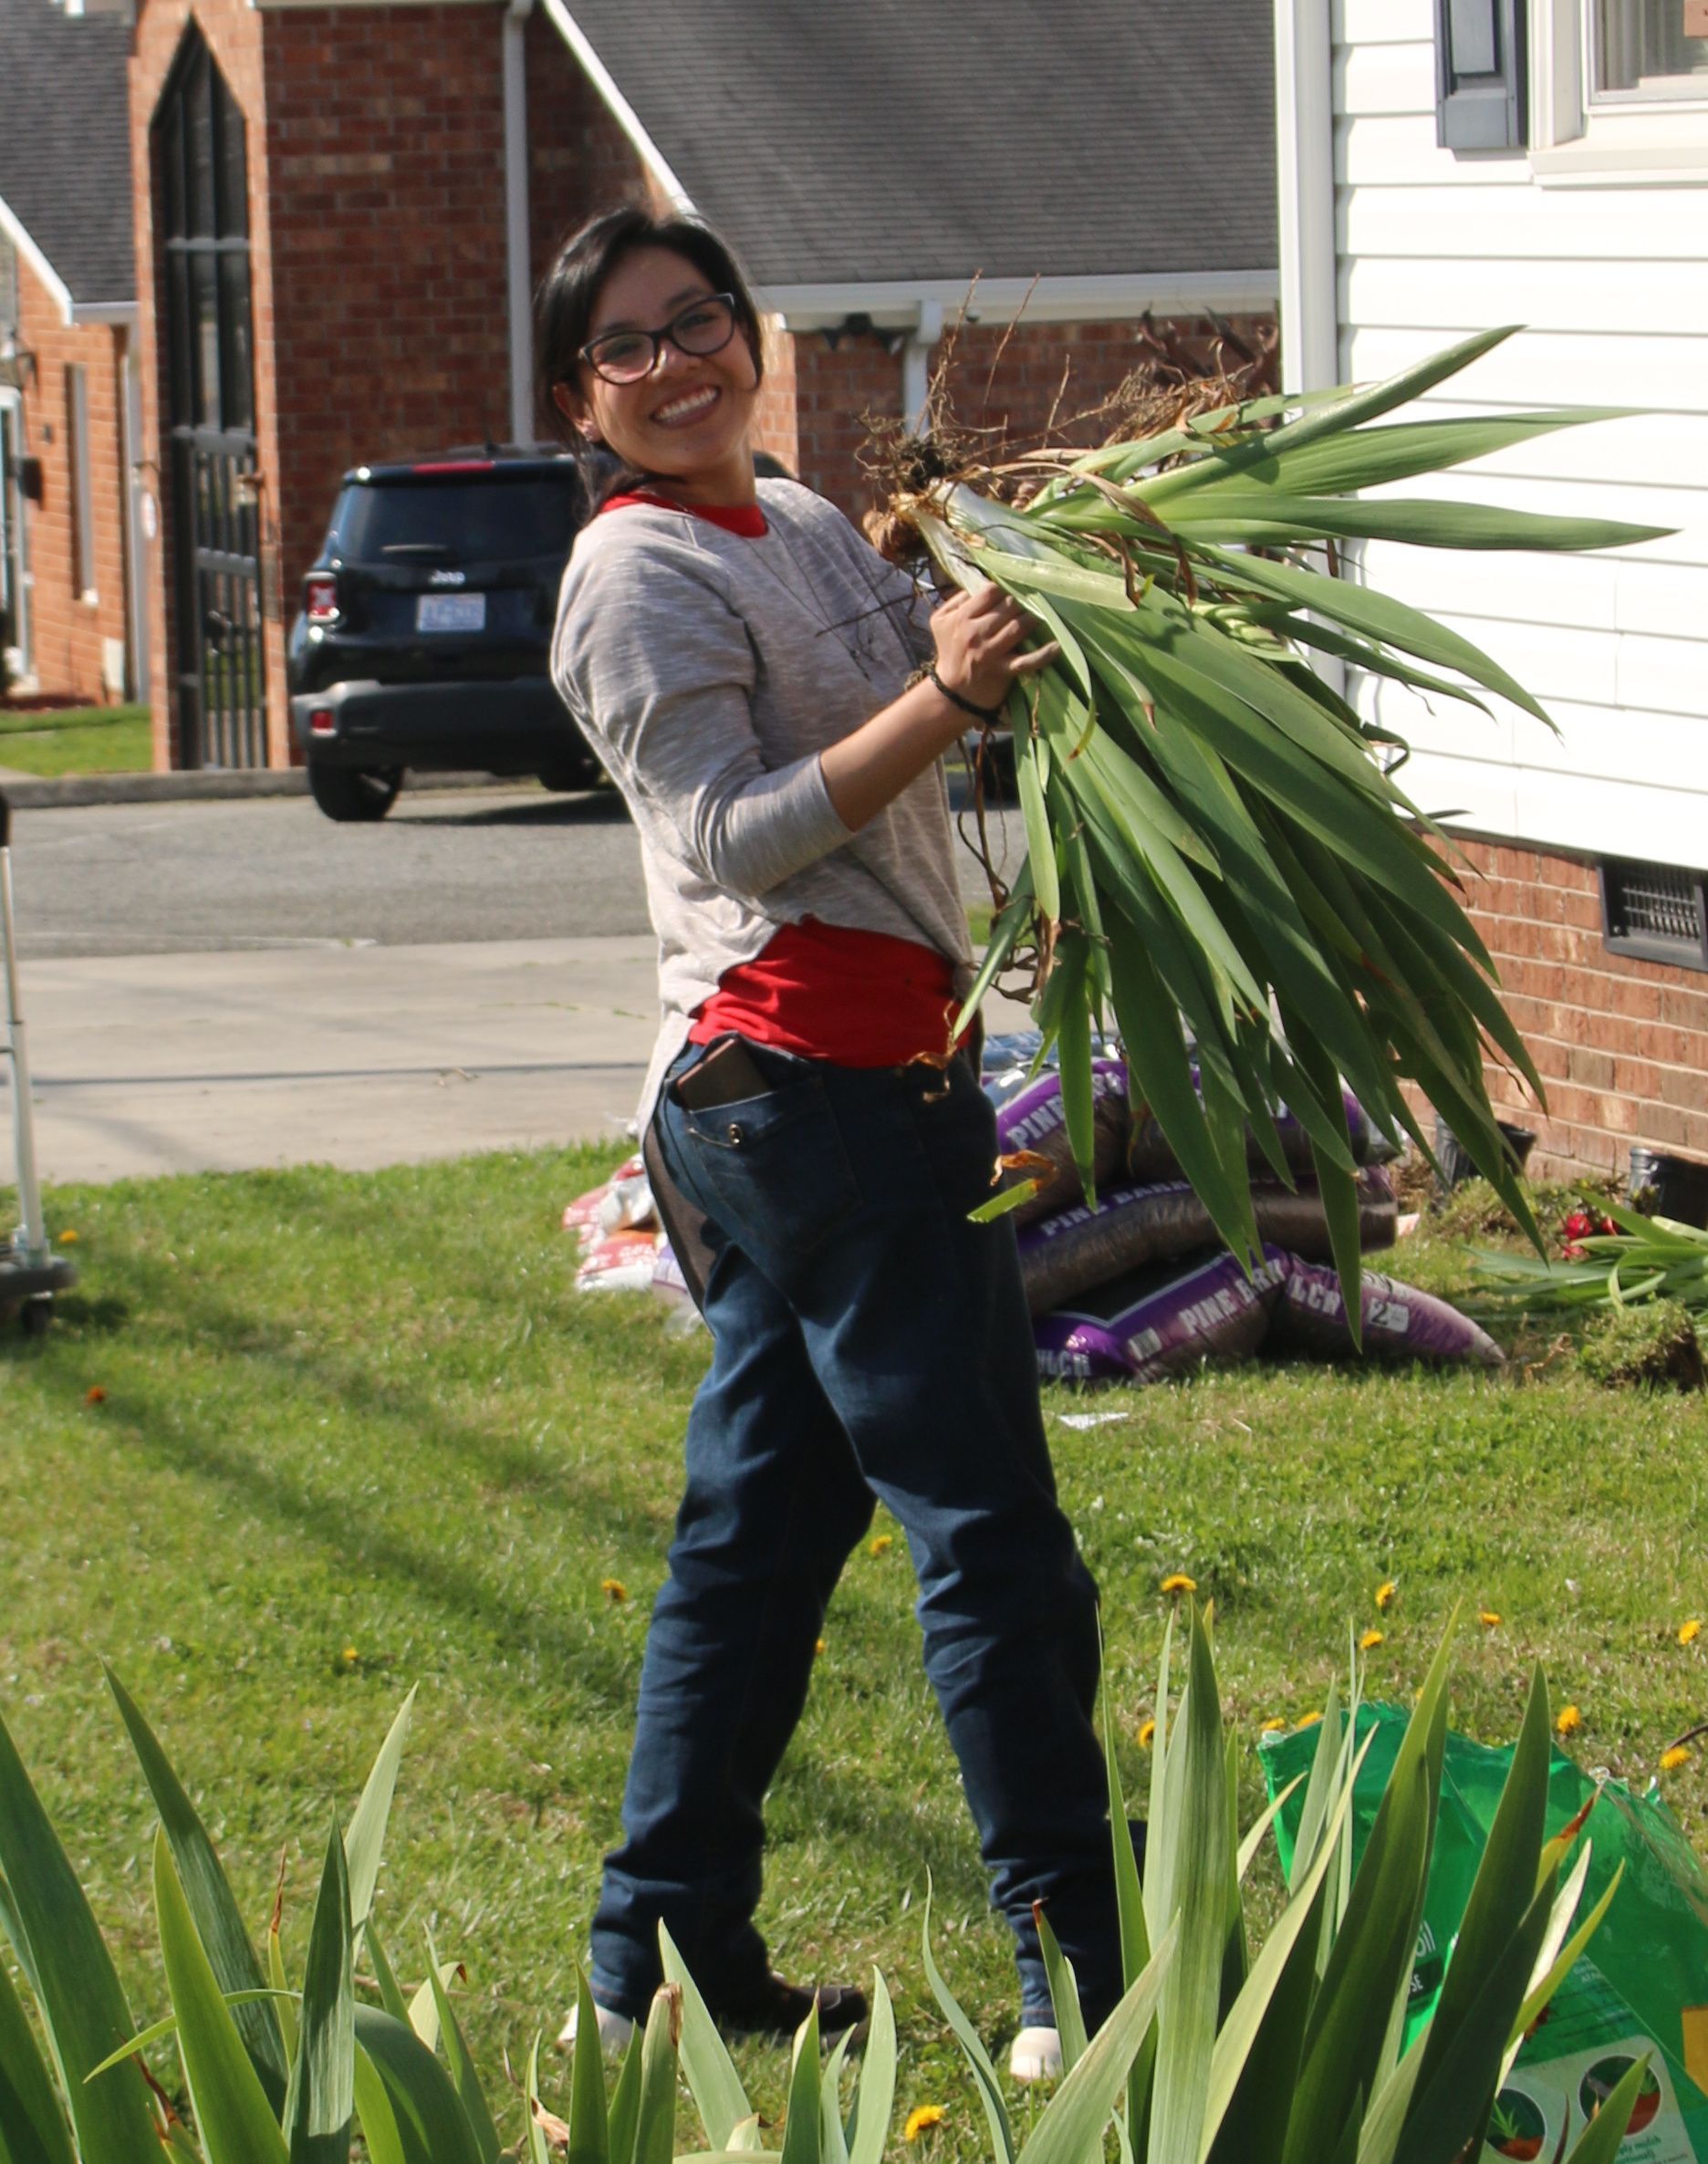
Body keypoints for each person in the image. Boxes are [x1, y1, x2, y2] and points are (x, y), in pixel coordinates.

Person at [539, 204, 1122, 2084]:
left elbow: (919, 698)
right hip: (812, 1088)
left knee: (759, 1544)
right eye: (628, 345)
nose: (676, 364)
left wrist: (999, 610)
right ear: (581, 396)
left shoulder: (787, 519)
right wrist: (945, 693)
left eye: (699, 318)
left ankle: (660, 1968)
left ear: (748, 329)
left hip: (847, 1084)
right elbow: (736, 831)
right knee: (993, 1539)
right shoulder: (629, 574)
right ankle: (1076, 1985)